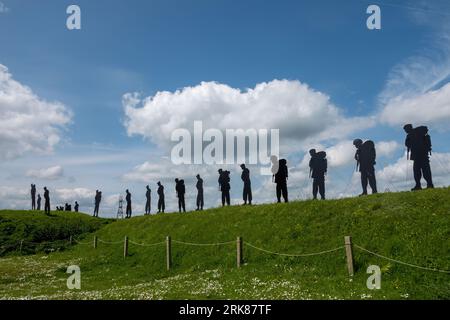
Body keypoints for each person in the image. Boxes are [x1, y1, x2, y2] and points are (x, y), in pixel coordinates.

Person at [404, 124, 434, 190]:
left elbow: (407, 144)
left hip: (417, 156)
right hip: (423, 154)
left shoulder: (410, 135)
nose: (405, 131)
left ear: (408, 128)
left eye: (405, 130)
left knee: (417, 171)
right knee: (425, 170)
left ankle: (419, 185)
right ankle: (429, 184)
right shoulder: (420, 132)